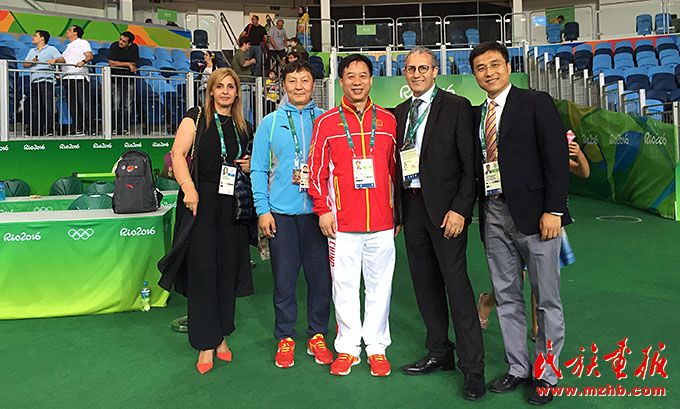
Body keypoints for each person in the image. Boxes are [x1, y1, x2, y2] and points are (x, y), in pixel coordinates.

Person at [470, 41, 570, 405]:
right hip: (493, 213)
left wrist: (554, 210)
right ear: (475, 75)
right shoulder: (478, 114)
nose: (489, 72)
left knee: (547, 299)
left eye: (494, 64)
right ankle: (517, 368)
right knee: (507, 296)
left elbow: (556, 157)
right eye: (481, 68)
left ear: (507, 66)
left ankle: (546, 374)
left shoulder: (535, 102)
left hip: (537, 215)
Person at [394, 47, 485, 400]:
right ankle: (439, 351)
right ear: (404, 73)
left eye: (423, 68)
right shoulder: (401, 112)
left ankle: (473, 368)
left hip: (447, 211)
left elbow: (469, 164)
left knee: (457, 287)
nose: (416, 74)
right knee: (424, 284)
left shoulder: (456, 106)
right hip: (412, 207)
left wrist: (461, 208)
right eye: (410, 69)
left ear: (435, 71)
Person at [158, 68, 253, 374]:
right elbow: (177, 155)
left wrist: (248, 165)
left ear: (237, 93)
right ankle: (204, 342)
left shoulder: (243, 126)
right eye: (220, 86)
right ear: (211, 90)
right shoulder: (196, 117)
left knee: (227, 269)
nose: (225, 91)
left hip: (231, 204)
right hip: (199, 201)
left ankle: (222, 335)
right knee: (203, 270)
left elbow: (245, 163)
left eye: (231, 87)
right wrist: (188, 189)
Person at [308, 54, 397, 377]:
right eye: (350, 76)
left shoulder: (388, 121)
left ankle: (376, 346)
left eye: (362, 75)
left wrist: (397, 213)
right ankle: (347, 347)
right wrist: (323, 210)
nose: (357, 82)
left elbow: (396, 171)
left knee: (380, 287)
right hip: (342, 224)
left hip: (382, 223)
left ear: (371, 80)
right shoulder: (327, 122)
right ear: (341, 81)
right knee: (344, 287)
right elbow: (316, 171)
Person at [251, 60, 332, 369]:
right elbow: (258, 170)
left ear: (314, 85)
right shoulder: (270, 123)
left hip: (319, 214)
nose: (299, 86)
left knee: (320, 279)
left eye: (305, 80)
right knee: (284, 281)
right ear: (283, 85)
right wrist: (263, 210)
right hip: (281, 215)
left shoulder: (325, 120)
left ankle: (317, 334)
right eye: (293, 81)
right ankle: (285, 336)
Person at [477, 132, 590, 338]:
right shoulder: (522, 154)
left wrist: (580, 155)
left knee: (542, 277)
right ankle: (486, 303)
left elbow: (583, 173)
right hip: (519, 218)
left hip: (548, 222)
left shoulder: (553, 154)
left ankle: (537, 327)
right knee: (515, 276)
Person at [48, 25, 93, 136]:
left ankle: (89, 128)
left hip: (79, 77)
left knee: (83, 103)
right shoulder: (68, 47)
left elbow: (89, 55)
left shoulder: (82, 42)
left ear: (75, 33)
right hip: (68, 78)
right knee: (72, 105)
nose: (67, 31)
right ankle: (78, 128)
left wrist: (83, 62)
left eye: (70, 30)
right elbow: (63, 59)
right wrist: (55, 60)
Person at [23, 30, 60, 136]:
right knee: (34, 107)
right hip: (34, 81)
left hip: (46, 81)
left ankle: (49, 130)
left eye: (35, 36)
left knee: (48, 106)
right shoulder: (32, 51)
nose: (33, 37)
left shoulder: (51, 49)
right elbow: (24, 64)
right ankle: (35, 130)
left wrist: (55, 60)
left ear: (42, 38)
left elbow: (62, 59)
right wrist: (32, 62)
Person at [108, 31, 139, 135]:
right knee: (115, 104)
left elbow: (134, 63)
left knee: (128, 105)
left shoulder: (134, 48)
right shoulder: (114, 46)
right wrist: (128, 64)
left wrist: (121, 63)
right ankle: (114, 128)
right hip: (115, 80)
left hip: (129, 80)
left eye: (124, 41)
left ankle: (125, 128)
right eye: (120, 39)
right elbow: (111, 63)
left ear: (129, 44)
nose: (120, 42)